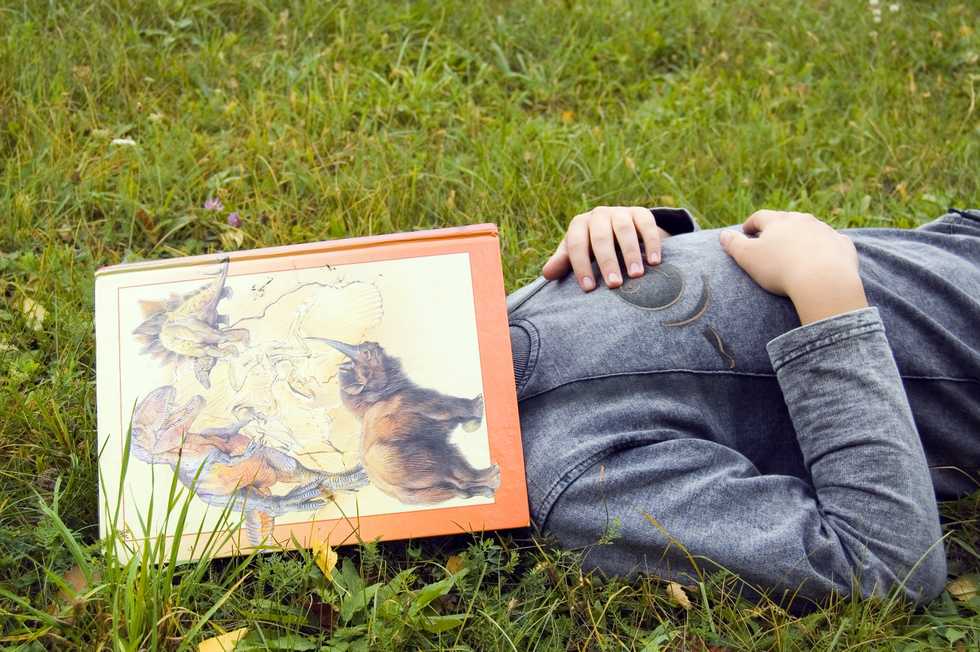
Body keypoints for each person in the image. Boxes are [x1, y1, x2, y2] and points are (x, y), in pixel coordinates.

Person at [506, 206, 980, 608]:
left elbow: (688, 324)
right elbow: (884, 565)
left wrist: (645, 237)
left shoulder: (488, 327)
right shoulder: (574, 478)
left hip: (950, 240)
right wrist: (826, 290)